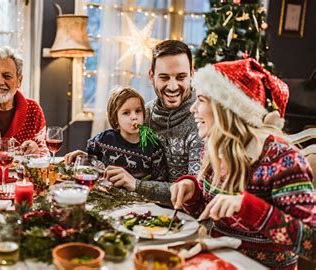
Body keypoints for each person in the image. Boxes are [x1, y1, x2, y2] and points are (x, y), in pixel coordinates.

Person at [170, 58, 315, 269]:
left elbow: (312, 243)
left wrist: (250, 208)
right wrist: (192, 190)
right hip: (217, 262)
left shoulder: (282, 159)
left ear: (227, 109)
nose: (193, 108)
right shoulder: (215, 147)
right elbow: (206, 211)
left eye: (201, 100)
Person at [65, 86, 168, 200]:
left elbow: (160, 182)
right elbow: (94, 166)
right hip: (105, 198)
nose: (134, 117)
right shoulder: (103, 140)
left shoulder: (153, 147)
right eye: (126, 113)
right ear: (115, 119)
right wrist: (84, 158)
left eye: (138, 111)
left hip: (137, 202)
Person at [146, 40, 204, 186]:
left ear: (191, 74)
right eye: (164, 77)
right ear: (151, 76)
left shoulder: (202, 119)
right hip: (140, 206)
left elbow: (195, 191)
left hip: (185, 209)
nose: (172, 87)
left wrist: (136, 185)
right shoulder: (143, 115)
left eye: (180, 77)